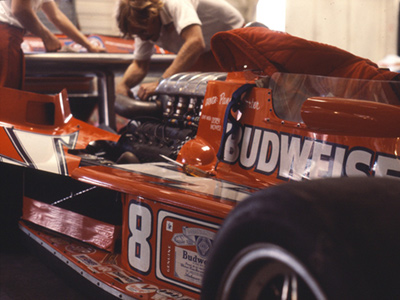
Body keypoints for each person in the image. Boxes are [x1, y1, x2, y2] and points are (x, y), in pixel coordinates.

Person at [116, 0, 244, 100]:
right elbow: (139, 65)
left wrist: (161, 83)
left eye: (143, 31)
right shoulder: (144, 28)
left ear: (153, 14)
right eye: (137, 34)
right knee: (193, 102)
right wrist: (123, 85)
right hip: (202, 52)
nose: (142, 38)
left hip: (231, 44)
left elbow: (195, 42)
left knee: (226, 100)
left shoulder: (176, 3)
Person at [0, 0, 104, 89]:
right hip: (5, 35)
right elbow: (20, 10)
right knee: (6, 98)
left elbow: (56, 16)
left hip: (11, 37)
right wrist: (47, 36)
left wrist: (89, 46)